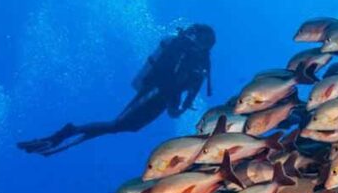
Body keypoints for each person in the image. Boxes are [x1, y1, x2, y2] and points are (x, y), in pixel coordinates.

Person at [18, 24, 215, 156]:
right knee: (118, 124)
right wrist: (175, 104)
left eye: (208, 44)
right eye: (203, 40)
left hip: (163, 100)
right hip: (154, 91)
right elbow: (167, 77)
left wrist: (181, 106)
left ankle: (70, 134)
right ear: (196, 36)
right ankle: (66, 133)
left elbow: (194, 87)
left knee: (129, 127)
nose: (204, 46)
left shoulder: (201, 60)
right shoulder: (180, 49)